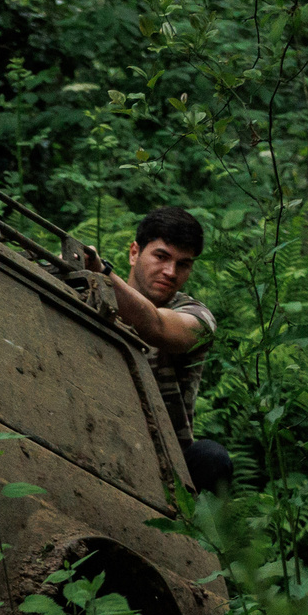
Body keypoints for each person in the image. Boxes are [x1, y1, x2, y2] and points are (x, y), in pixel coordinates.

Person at [104, 206, 234, 494]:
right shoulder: (92, 293)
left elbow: (156, 326)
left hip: (166, 465)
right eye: (161, 257)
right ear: (134, 252)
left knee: (211, 457)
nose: (170, 272)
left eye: (183, 264)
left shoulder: (198, 317)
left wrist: (101, 275)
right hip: (95, 436)